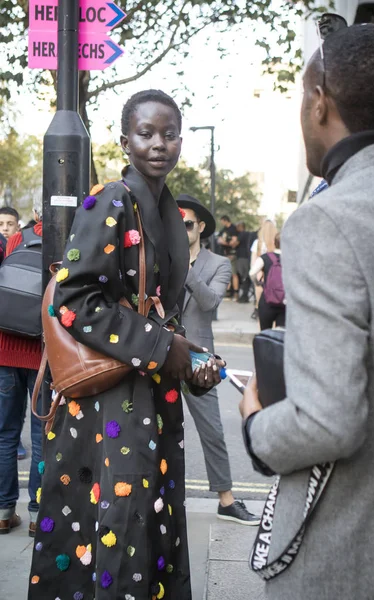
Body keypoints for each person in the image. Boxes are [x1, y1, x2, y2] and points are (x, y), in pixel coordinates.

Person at [29, 89, 223, 600]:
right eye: (146, 133)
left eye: (169, 133)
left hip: (149, 398)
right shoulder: (113, 199)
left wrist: (189, 359)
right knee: (119, 529)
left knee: (144, 525)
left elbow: (157, 309)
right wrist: (162, 347)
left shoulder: (163, 209)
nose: (159, 144)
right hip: (110, 405)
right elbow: (73, 296)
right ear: (125, 141)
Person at [240, 22, 374, 599]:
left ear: (320, 103)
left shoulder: (328, 219)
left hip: (356, 555)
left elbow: (326, 419)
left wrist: (257, 428)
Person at [176, 194, 260, 526]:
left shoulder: (219, 264)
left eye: (187, 224)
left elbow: (210, 303)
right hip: (161, 352)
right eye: (177, 222)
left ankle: (226, 500)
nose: (181, 229)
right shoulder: (161, 258)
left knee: (212, 431)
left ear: (200, 228)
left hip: (199, 360)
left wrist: (183, 268)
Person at [0, 200, 43, 537]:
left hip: (5, 349)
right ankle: (36, 515)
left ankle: (3, 511)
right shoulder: (68, 244)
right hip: (43, 354)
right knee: (43, 438)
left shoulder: (17, 239)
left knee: (5, 435)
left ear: (35, 211)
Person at [249, 232, 285, 330]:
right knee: (281, 334)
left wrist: (258, 283)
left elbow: (252, 273)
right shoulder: (291, 258)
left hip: (267, 300)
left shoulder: (265, 257)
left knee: (264, 331)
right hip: (284, 301)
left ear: (274, 242)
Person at [250, 219, 277, 320]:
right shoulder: (276, 242)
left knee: (260, 302)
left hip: (260, 274)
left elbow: (253, 263)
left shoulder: (257, 243)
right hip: (274, 274)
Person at [217, 215, 239, 299]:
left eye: (222, 221)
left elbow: (234, 242)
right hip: (225, 253)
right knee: (226, 273)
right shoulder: (224, 230)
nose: (222, 223)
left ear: (225, 220)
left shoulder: (233, 229)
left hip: (232, 253)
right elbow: (219, 239)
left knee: (233, 273)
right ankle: (228, 292)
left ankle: (235, 292)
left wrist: (225, 242)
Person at [232, 222, 252, 303]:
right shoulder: (248, 234)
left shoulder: (242, 234)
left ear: (240, 227)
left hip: (241, 257)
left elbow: (234, 244)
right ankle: (245, 295)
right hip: (247, 257)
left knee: (243, 276)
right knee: (246, 275)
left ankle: (244, 296)